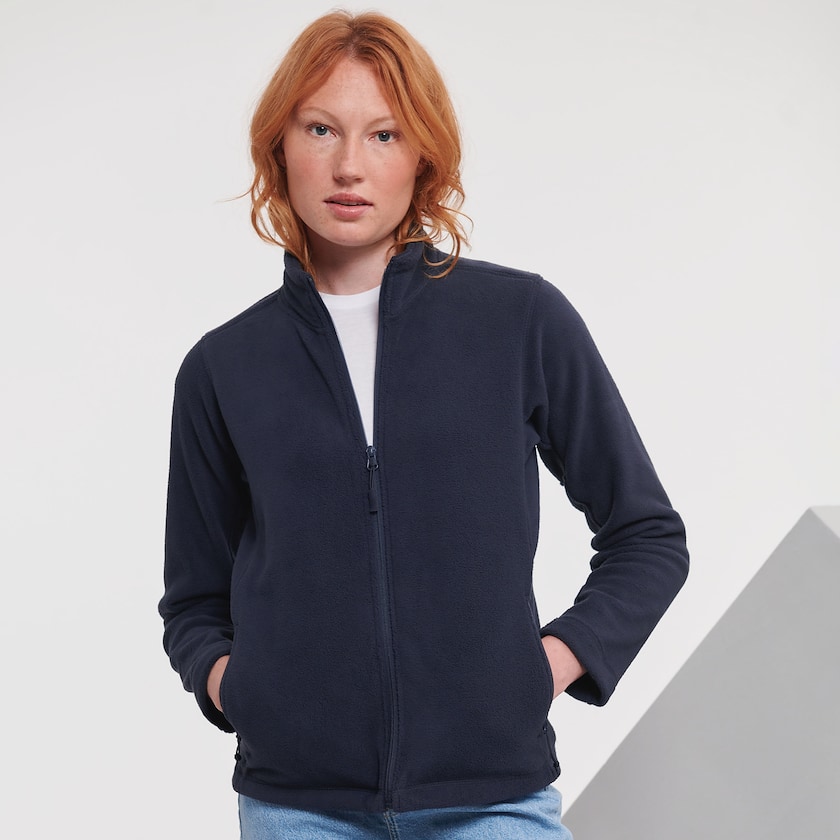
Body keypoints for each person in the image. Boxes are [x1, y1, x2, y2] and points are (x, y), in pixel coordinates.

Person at [159, 9, 689, 839]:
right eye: (321, 129)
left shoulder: (519, 321)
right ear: (279, 146)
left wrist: (542, 669)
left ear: (423, 157)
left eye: (384, 135)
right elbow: (193, 601)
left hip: (492, 798)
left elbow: (647, 535)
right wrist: (239, 687)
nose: (348, 165)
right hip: (298, 806)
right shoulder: (223, 367)